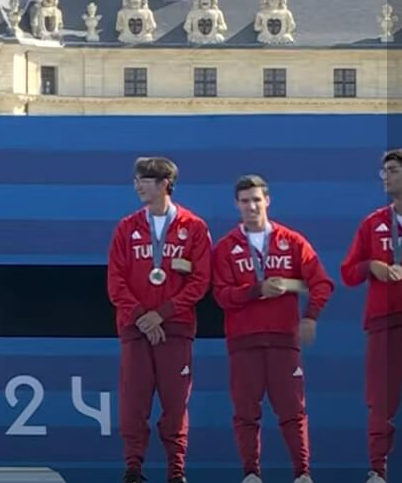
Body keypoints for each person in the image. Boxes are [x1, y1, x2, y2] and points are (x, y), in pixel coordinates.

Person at [211, 175, 334, 483]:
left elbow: (322, 282)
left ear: (268, 200)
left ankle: (302, 474)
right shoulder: (226, 247)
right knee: (246, 413)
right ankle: (251, 474)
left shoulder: (291, 241)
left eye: (256, 199)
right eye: (245, 201)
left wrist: (310, 317)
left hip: (283, 340)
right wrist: (257, 290)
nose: (251, 206)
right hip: (244, 342)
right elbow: (221, 296)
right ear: (236, 205)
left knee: (293, 412)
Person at [106, 156, 212, 483]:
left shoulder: (194, 227)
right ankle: (134, 469)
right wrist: (142, 318)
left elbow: (200, 281)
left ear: (165, 183)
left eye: (145, 179)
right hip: (136, 330)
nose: (137, 185)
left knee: (176, 405)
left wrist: (161, 315)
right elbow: (116, 281)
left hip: (176, 330)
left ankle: (176, 472)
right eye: (136, 179)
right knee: (133, 402)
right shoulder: (126, 227)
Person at [340, 149, 402, 483]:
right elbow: (348, 272)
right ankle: (378, 470)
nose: (386, 177)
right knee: (380, 401)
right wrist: (371, 266)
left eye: (392, 170)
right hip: (384, 323)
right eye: (384, 172)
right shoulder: (373, 223)